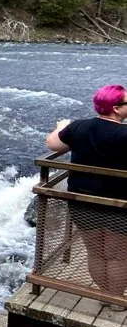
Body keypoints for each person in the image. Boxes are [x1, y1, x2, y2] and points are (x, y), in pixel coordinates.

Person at [46, 85, 127, 300]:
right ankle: (116, 300)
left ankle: (105, 294)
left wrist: (62, 126)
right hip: (118, 205)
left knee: (96, 252)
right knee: (117, 257)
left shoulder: (79, 128)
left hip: (81, 202)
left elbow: (53, 144)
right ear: (117, 109)